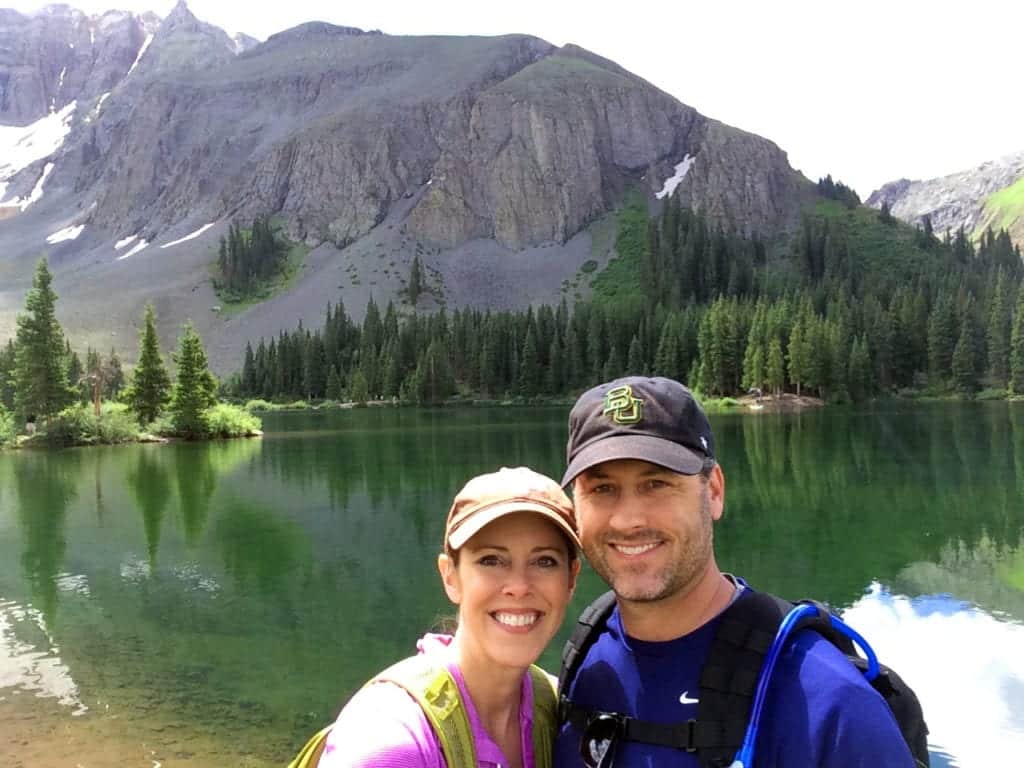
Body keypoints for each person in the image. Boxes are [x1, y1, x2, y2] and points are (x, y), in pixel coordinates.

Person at [553, 376, 917, 768]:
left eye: (656, 483)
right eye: (602, 489)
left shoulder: (828, 704)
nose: (628, 519)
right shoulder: (585, 655)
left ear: (714, 492)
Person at [316, 466, 581, 768]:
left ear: (571, 579)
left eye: (544, 561)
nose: (519, 586)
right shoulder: (391, 739)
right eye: (491, 560)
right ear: (450, 576)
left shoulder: (558, 707)